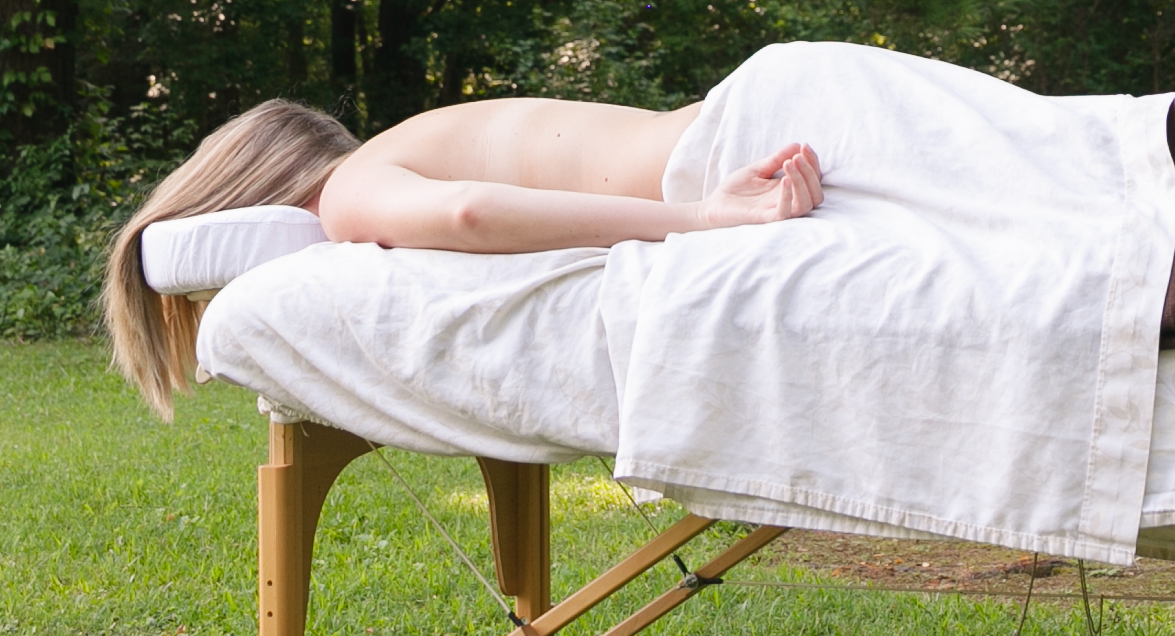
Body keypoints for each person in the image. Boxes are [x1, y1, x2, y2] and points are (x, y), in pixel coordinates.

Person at [105, 95, 823, 415]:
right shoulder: (407, 142)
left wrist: (699, 217)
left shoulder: (350, 194)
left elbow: (468, 213)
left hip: (745, 143)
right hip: (758, 117)